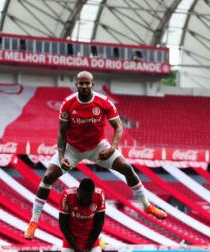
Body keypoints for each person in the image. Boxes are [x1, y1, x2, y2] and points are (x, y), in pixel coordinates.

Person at [24, 71, 166, 239]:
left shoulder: (104, 103)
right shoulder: (68, 104)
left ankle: (147, 205)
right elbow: (62, 133)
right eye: (81, 83)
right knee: (48, 176)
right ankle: (33, 222)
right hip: (72, 148)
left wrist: (112, 149)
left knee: (127, 168)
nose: (84, 86)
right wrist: (62, 156)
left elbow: (118, 127)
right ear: (76, 85)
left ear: (92, 85)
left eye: (87, 83)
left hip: (97, 147)